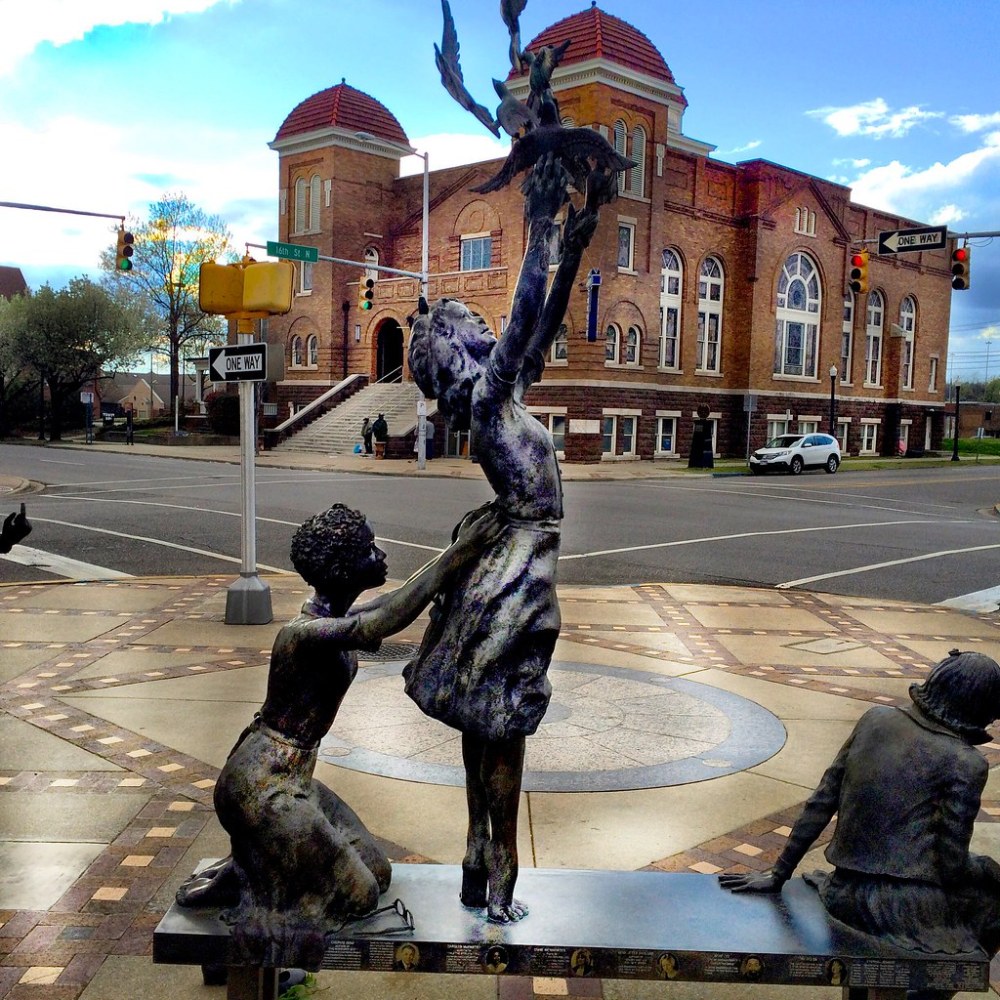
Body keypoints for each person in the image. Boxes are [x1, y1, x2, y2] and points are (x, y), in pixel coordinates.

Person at [404, 153, 617, 923]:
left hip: (510, 561)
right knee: (505, 724)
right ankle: (499, 873)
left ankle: (476, 856)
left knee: (483, 716)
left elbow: (544, 318)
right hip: (520, 569)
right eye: (474, 326)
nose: (490, 329)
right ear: (462, 353)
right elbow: (526, 315)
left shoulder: (501, 395)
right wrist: (538, 223)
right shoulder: (491, 402)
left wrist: (574, 238)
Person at [176, 502, 501, 968]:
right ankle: (259, 898)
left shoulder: (338, 616)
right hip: (259, 786)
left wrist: (455, 555)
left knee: (379, 871)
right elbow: (382, 623)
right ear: (342, 568)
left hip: (295, 778)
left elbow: (388, 607)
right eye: (369, 548)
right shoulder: (303, 633)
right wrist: (460, 552)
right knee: (358, 896)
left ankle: (255, 868)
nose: (381, 554)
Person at [721, 649, 1000, 1000]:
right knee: (993, 906)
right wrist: (987, 870)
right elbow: (950, 864)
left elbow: (822, 800)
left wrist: (780, 872)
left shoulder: (875, 719)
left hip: (843, 890)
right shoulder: (967, 762)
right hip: (901, 909)